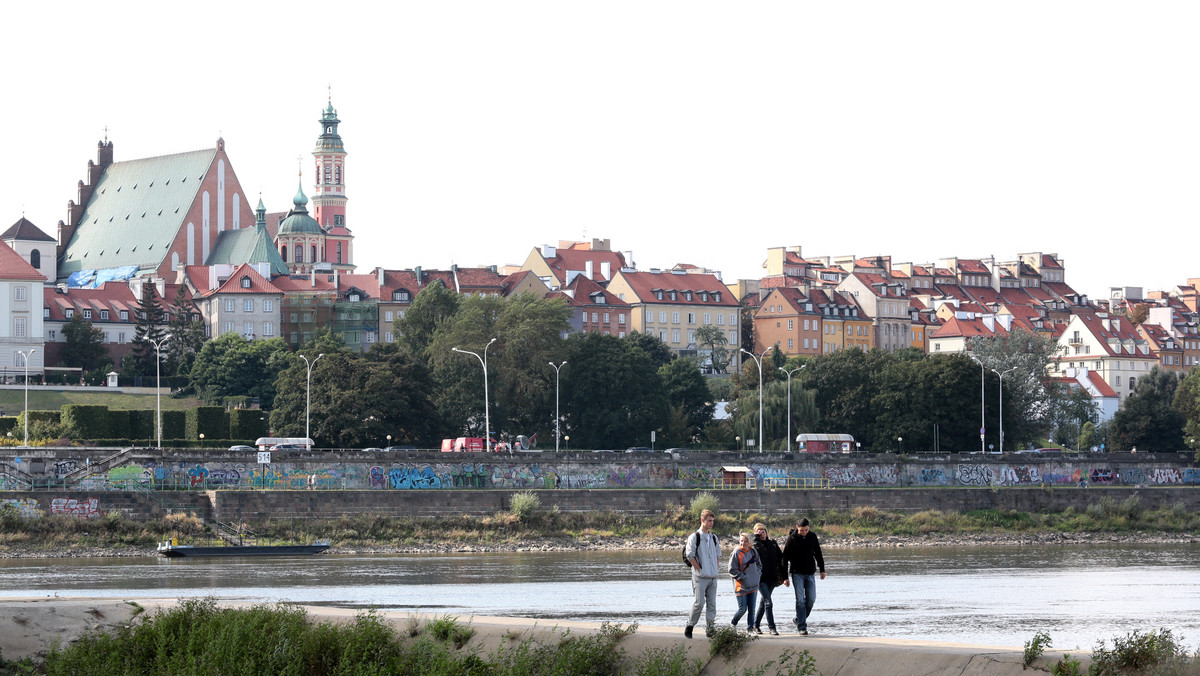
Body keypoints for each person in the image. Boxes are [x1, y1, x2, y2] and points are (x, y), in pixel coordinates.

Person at [781, 517, 826, 635]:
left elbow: (818, 553)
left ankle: (798, 619)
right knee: (800, 600)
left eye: (806, 530)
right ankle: (802, 627)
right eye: (802, 530)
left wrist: (822, 569)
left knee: (811, 599)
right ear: (797, 527)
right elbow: (784, 558)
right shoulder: (792, 539)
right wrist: (785, 577)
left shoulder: (812, 536)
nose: (804, 532)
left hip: (810, 573)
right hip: (797, 574)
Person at [684, 509, 721, 639]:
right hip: (700, 577)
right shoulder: (695, 537)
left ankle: (710, 629)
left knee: (712, 605)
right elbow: (689, 555)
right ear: (703, 520)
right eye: (709, 521)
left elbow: (718, 555)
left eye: (712, 521)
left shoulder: (714, 537)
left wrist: (716, 569)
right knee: (699, 603)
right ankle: (690, 625)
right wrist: (699, 569)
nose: (711, 523)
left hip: (713, 577)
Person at [751, 522, 786, 635]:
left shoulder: (773, 544)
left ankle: (755, 625)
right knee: (768, 603)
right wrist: (756, 538)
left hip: (773, 579)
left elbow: (782, 560)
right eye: (759, 532)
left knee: (764, 602)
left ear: (766, 532)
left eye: (763, 531)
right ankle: (772, 627)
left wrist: (785, 577)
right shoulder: (756, 545)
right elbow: (753, 551)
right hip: (761, 580)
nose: (762, 533)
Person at [728, 532, 761, 633]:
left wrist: (757, 574)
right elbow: (731, 570)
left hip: (754, 586)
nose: (743, 543)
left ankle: (750, 630)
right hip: (741, 587)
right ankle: (733, 623)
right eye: (742, 541)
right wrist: (742, 577)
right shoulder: (736, 553)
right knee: (742, 609)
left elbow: (759, 564)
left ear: (749, 542)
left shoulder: (753, 551)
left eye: (746, 541)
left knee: (752, 610)